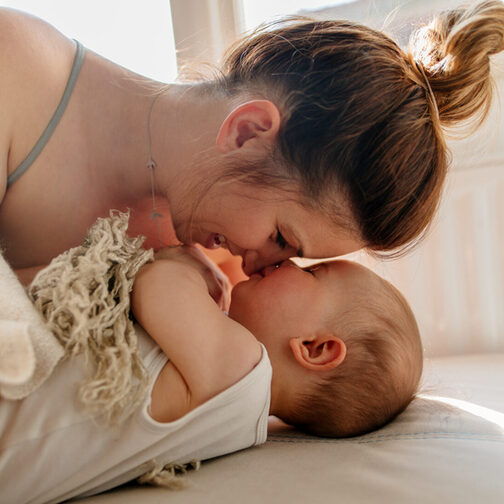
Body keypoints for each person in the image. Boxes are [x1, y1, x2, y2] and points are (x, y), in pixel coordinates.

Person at [1, 1, 503, 290]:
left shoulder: (198, 257)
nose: (254, 267)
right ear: (246, 132)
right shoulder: (17, 73)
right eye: (281, 240)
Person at [0, 242, 422, 503]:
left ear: (315, 349)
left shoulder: (242, 368)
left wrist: (184, 259)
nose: (290, 262)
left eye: (313, 273)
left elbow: (157, 285)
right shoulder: (237, 414)